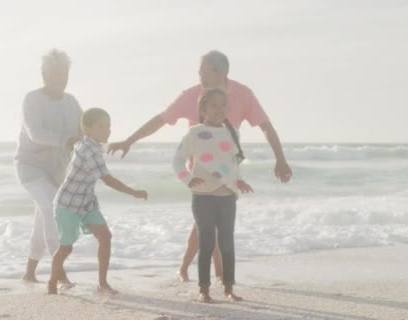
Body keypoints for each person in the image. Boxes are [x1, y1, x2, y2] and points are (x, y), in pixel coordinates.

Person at [108, 50, 292, 282]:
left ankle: (193, 269)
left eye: (205, 73)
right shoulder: (192, 95)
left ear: (223, 72)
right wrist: (129, 141)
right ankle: (209, 272)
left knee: (210, 225)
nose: (201, 78)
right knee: (209, 225)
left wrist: (281, 159)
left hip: (228, 171)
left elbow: (265, 125)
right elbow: (161, 120)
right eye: (199, 73)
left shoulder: (243, 94)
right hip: (201, 171)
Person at [48, 108, 148, 295]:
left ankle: (102, 283)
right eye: (101, 126)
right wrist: (133, 192)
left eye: (108, 126)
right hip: (68, 205)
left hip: (86, 203)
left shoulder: (91, 145)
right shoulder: (89, 150)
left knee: (105, 236)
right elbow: (107, 180)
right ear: (87, 129)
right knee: (66, 247)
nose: (107, 130)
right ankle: (52, 283)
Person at [174, 88, 253, 303]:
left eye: (223, 105)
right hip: (202, 197)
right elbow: (177, 160)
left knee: (227, 243)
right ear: (203, 109)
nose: (219, 109)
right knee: (206, 242)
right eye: (214, 105)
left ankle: (229, 288)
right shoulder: (195, 133)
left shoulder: (232, 132)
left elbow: (233, 163)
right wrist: (188, 179)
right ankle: (204, 290)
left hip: (227, 195)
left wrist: (239, 181)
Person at [13, 49, 82, 283]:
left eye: (63, 73)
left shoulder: (71, 102)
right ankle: (59, 272)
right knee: (52, 209)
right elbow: (34, 133)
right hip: (30, 167)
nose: (58, 78)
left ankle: (29, 273)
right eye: (53, 73)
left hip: (58, 171)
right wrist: (66, 140)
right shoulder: (32, 99)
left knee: (42, 220)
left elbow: (83, 131)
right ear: (43, 74)